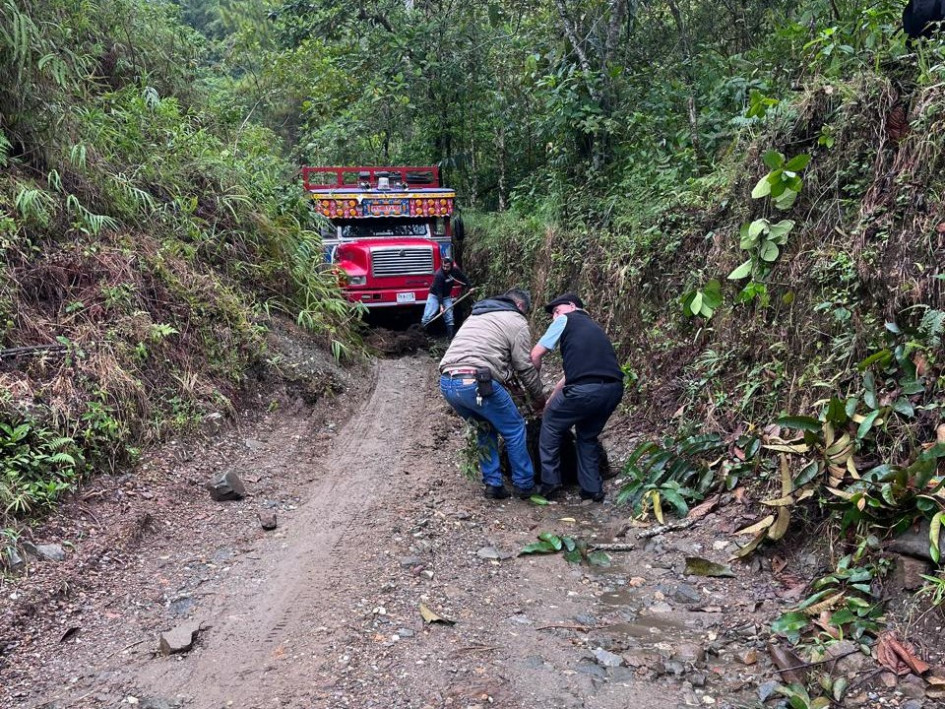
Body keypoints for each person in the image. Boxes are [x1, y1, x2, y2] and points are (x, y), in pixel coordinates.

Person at [439, 288, 546, 500]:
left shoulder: (477, 315)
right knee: (514, 427)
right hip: (476, 382)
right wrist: (538, 397)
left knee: (485, 428)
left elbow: (486, 355)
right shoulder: (516, 320)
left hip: (448, 382)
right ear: (520, 306)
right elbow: (524, 366)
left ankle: (493, 484)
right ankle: (524, 485)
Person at [529, 293, 623, 502]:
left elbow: (535, 355)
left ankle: (549, 481)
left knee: (551, 424)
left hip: (584, 390)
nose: (555, 317)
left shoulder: (566, 320)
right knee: (587, 435)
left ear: (572, 306)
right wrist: (551, 399)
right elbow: (570, 376)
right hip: (613, 390)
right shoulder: (594, 328)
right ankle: (592, 489)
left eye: (556, 311)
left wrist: (533, 389)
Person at [421, 256, 469, 339]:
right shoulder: (439, 275)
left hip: (446, 296)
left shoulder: (455, 271)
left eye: (447, 267)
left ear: (451, 266)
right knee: (427, 317)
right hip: (435, 296)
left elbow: (463, 278)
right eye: (443, 266)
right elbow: (439, 292)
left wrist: (470, 287)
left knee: (449, 316)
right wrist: (441, 306)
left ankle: (450, 337)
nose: (445, 268)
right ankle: (422, 336)